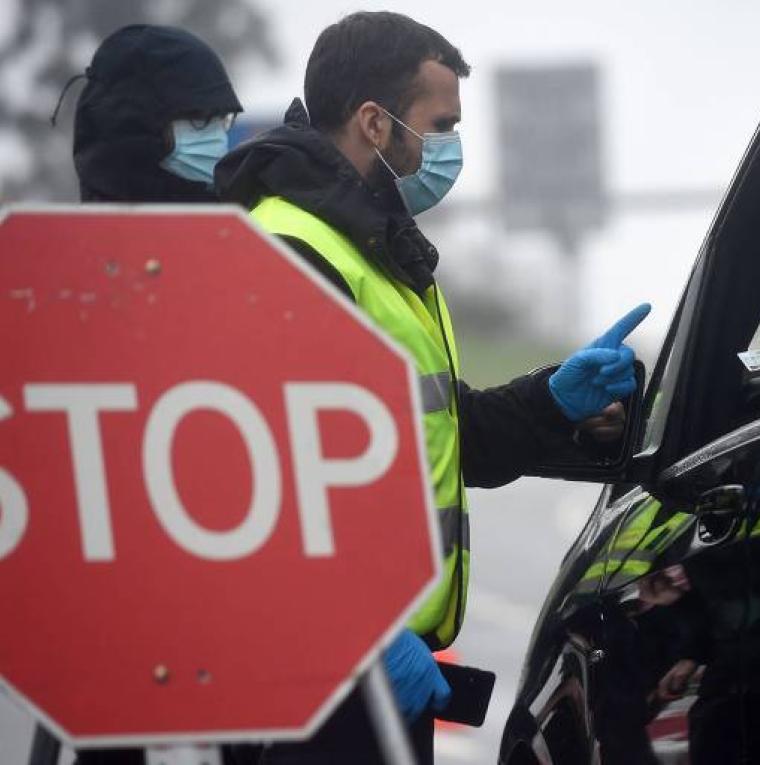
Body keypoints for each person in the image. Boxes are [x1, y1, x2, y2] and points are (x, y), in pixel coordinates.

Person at [215, 11, 650, 763]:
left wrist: (554, 402)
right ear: (375, 124)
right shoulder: (296, 250)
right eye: (440, 125)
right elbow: (266, 483)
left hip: (376, 670)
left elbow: (435, 440)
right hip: (326, 673)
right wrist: (363, 634)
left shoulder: (377, 252)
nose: (448, 148)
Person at [54, 23, 242, 765]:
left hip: (234, 655)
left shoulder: (249, 277)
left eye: (224, 123)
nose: (217, 141)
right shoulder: (49, 293)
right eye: (198, 123)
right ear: (136, 132)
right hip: (97, 648)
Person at [55, 23, 242, 202]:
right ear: (134, 127)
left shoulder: (242, 227)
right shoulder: (74, 235)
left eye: (223, 119)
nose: (219, 137)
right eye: (199, 118)